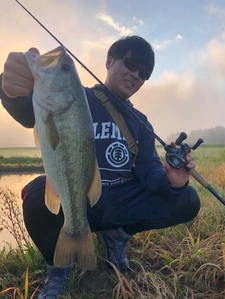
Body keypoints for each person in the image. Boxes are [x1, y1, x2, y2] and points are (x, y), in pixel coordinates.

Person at [0, 36, 200, 298]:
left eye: (144, 72)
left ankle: (117, 235)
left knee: (187, 199)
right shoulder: (76, 95)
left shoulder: (141, 123)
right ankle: (58, 268)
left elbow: (150, 173)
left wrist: (172, 180)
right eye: (130, 63)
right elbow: (29, 111)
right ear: (109, 61)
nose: (136, 74)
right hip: (81, 202)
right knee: (36, 195)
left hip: (119, 203)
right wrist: (12, 91)